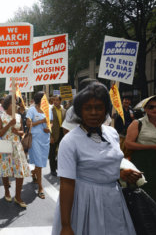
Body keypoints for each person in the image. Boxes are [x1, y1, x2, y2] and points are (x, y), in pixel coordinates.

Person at [52, 82, 138, 235]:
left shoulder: (112, 133)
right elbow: (66, 184)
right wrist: (65, 225)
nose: (93, 112)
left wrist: (120, 175)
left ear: (105, 109)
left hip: (113, 201)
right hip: (85, 203)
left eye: (98, 107)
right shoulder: (70, 141)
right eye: (87, 108)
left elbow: (106, 166)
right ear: (79, 111)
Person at [0, 95, 31, 208]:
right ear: (7, 105)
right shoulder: (1, 117)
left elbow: (22, 133)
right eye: (13, 103)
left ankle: (18, 197)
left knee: (20, 172)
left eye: (15, 103)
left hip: (17, 146)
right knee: (5, 171)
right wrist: (9, 125)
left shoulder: (19, 117)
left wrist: (17, 132)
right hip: (5, 146)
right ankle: (7, 191)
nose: (15, 104)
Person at [125, 95, 156, 203]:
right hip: (143, 162)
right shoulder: (138, 123)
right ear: (145, 109)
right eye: (151, 107)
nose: (155, 109)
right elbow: (128, 144)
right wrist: (152, 147)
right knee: (146, 192)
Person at [26, 91, 52, 199]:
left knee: (40, 161)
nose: (46, 99)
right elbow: (28, 124)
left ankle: (34, 173)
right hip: (35, 139)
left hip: (45, 139)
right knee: (39, 163)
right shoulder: (32, 110)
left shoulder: (48, 109)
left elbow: (50, 121)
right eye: (44, 98)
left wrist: (49, 127)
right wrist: (41, 121)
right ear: (40, 99)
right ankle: (41, 187)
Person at [49, 95, 66, 176]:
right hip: (53, 133)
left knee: (62, 152)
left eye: (57, 100)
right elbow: (48, 124)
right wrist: (50, 136)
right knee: (52, 153)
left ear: (60, 101)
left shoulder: (64, 111)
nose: (55, 102)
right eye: (54, 100)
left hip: (62, 133)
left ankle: (58, 166)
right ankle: (52, 170)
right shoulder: (50, 110)